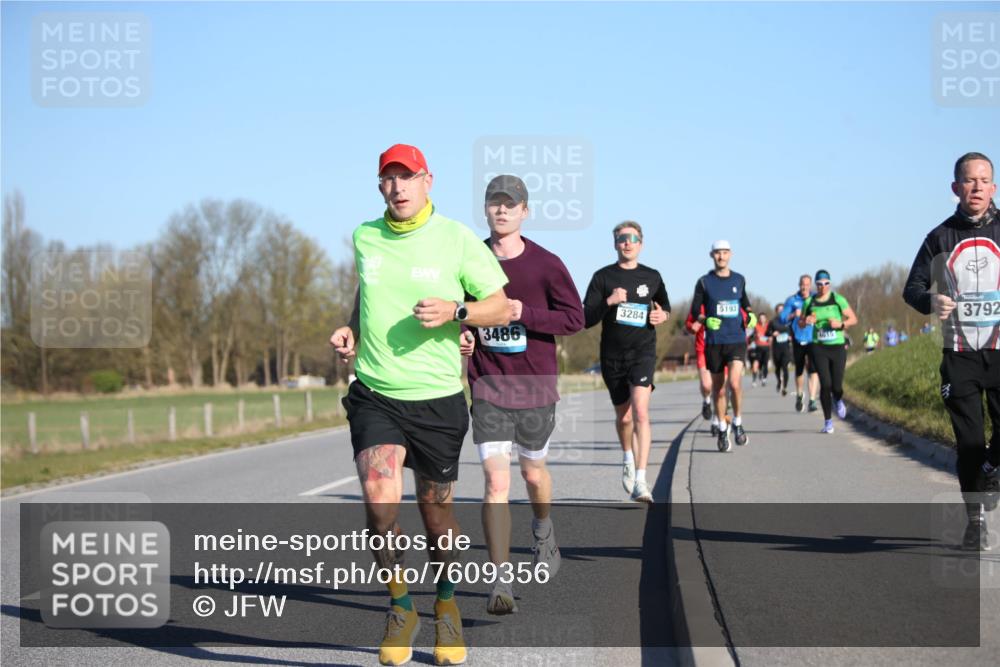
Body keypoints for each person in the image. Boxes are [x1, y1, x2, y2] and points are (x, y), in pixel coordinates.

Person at [330, 144, 510, 666]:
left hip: (438, 401)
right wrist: (352, 329)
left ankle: (447, 607)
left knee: (437, 516)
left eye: (407, 177)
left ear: (428, 180)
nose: (398, 187)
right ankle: (400, 606)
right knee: (379, 499)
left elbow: (498, 304)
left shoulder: (455, 239)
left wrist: (457, 309)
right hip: (375, 393)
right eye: (389, 178)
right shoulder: (366, 237)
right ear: (379, 186)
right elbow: (367, 295)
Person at [459, 175, 584, 614]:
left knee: (533, 476)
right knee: (496, 482)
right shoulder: (469, 260)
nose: (502, 210)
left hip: (535, 386)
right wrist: (463, 335)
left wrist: (524, 314)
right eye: (494, 203)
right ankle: (500, 581)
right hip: (489, 384)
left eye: (510, 204)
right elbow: (459, 314)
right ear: (486, 210)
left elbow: (574, 319)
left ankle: (543, 527)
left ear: (525, 211)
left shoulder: (546, 264)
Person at [903, 151, 999, 551]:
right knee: (970, 441)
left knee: (987, 453)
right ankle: (975, 521)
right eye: (968, 180)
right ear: (955, 188)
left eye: (984, 180)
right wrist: (931, 302)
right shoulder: (938, 238)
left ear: (993, 187)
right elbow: (912, 289)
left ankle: (992, 469)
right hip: (959, 353)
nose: (976, 187)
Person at [584, 221, 671, 502]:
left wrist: (662, 316)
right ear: (615, 244)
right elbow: (586, 318)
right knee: (624, 417)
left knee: (641, 413)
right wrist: (608, 301)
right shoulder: (603, 277)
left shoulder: (652, 277)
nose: (627, 242)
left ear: (641, 243)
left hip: (643, 352)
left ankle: (642, 481)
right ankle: (627, 458)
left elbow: (665, 307)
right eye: (622, 238)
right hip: (612, 356)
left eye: (633, 238)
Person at [689, 240, 755, 452]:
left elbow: (745, 302)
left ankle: (737, 421)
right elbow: (694, 310)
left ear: (730, 255)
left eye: (725, 253)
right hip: (714, 342)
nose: (721, 256)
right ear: (712, 255)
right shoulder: (704, 282)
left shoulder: (739, 279)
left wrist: (751, 314)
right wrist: (705, 319)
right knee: (718, 390)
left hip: (736, 339)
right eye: (718, 253)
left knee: (734, 384)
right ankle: (722, 426)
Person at [799, 270, 858, 434]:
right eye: (819, 284)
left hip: (837, 346)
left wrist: (840, 324)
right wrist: (806, 320)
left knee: (837, 386)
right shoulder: (809, 302)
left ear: (829, 284)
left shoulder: (838, 300)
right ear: (815, 285)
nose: (822, 287)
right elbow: (801, 323)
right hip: (819, 347)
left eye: (826, 283)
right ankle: (828, 422)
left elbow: (853, 319)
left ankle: (838, 399)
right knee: (825, 384)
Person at [781, 275, 821, 413]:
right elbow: (782, 318)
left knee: (813, 370)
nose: (804, 287)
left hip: (814, 339)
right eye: (802, 284)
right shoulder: (792, 300)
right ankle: (799, 395)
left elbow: (825, 314)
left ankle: (812, 401)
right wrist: (793, 315)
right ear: (799, 285)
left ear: (811, 286)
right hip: (798, 339)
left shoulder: (816, 299)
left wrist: (816, 318)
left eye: (807, 284)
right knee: (799, 370)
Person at [685, 306, 715, 424]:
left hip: (721, 348)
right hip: (702, 350)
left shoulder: (723, 300)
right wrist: (693, 326)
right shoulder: (699, 306)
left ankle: (717, 421)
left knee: (721, 388)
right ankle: (707, 400)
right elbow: (688, 324)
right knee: (707, 385)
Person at [767, 303, 792, 396]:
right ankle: (779, 381)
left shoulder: (788, 321)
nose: (781, 311)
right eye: (779, 310)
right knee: (777, 368)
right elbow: (767, 333)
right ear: (776, 311)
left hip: (786, 347)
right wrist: (772, 333)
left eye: (783, 310)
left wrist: (791, 336)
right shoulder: (773, 321)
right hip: (776, 347)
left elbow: (793, 330)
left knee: (785, 367)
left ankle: (784, 387)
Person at [750, 313, 771, 387]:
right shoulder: (756, 326)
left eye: (763, 318)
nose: (761, 319)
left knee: (765, 364)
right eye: (760, 318)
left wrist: (770, 338)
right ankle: (754, 380)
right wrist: (755, 336)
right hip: (758, 347)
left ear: (765, 319)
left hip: (766, 347)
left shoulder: (769, 326)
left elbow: (772, 335)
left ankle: (764, 378)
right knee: (756, 363)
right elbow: (751, 336)